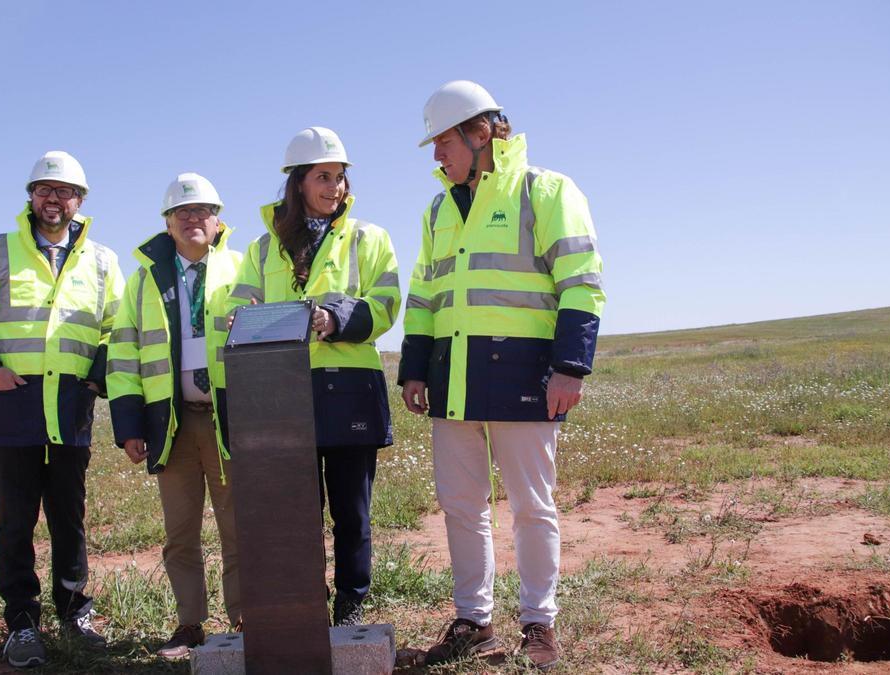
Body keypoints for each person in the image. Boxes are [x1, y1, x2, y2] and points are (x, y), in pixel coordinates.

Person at [399, 81, 605, 670]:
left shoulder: (545, 190)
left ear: (480, 132)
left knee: (532, 506)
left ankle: (539, 624)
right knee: (461, 505)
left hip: (525, 375)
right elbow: (424, 295)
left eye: (444, 141)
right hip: (452, 377)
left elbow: (582, 280)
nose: (437, 155)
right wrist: (415, 369)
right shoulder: (438, 209)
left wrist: (570, 366)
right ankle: (474, 618)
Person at [0, 150, 124, 668]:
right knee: (15, 523)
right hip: (10, 409)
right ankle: (21, 623)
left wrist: (96, 374)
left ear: (80, 200)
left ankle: (74, 611)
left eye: (64, 190)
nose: (54, 198)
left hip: (70, 411)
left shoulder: (103, 261)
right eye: (44, 188)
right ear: (31, 196)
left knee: (70, 518)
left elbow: (119, 328)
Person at [227, 127, 400, 626]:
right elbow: (240, 306)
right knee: (296, 514)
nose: (334, 187)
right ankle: (303, 607)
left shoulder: (370, 239)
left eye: (340, 177)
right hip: (284, 396)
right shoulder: (263, 248)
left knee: (352, 513)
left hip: (349, 393)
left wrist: (335, 318)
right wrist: (247, 317)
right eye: (323, 177)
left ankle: (350, 606)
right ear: (298, 182)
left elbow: (386, 306)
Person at [107, 173, 243, 659]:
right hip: (172, 424)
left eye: (202, 210)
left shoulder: (243, 270)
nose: (192, 219)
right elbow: (123, 355)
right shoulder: (143, 280)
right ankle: (190, 625)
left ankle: (245, 622)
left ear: (219, 219)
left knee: (238, 528)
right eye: (182, 212)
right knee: (179, 531)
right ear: (167, 223)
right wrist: (129, 425)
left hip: (229, 422)